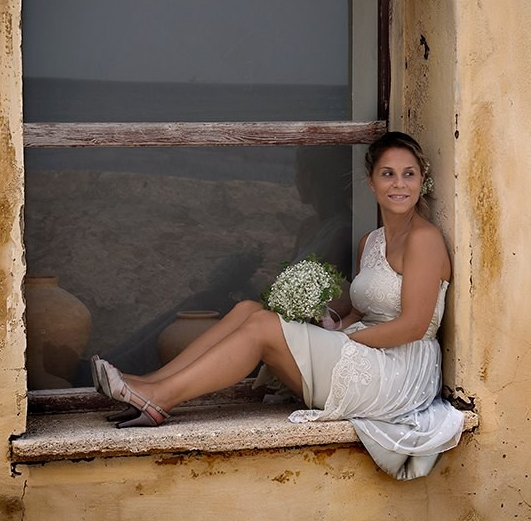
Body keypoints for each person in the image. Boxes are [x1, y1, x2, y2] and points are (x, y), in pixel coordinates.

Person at [92, 131, 464, 480]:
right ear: (371, 182)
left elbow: (414, 326)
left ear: (421, 181)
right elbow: (360, 312)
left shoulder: (424, 240)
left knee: (263, 327)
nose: (399, 184)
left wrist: (348, 342)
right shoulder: (371, 241)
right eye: (388, 174)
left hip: (399, 370)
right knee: (249, 310)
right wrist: (335, 325)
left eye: (408, 174)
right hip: (367, 349)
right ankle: (152, 383)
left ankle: (161, 399)